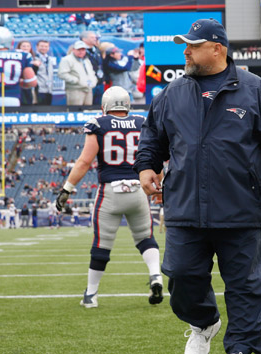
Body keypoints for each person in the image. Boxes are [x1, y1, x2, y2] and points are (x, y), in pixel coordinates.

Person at [134, 18, 261, 354]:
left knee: (246, 291)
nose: (185, 52)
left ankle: (243, 348)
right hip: (185, 209)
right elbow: (152, 138)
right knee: (183, 280)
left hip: (240, 209)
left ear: (217, 49)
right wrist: (146, 167)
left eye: (193, 46)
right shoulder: (171, 94)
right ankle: (203, 322)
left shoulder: (257, 90)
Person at [55, 86, 163, 308]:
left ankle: (91, 295)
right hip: (138, 189)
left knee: (101, 245)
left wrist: (67, 188)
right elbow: (156, 156)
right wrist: (158, 186)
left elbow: (85, 162)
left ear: (105, 106)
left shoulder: (99, 123)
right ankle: (156, 277)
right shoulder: (141, 122)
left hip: (110, 191)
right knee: (145, 237)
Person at [58, 40, 97, 106]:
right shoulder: (67, 60)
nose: (81, 51)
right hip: (75, 90)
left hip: (88, 89)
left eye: (83, 49)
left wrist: (94, 80)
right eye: (79, 49)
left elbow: (92, 72)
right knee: (75, 111)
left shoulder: (86, 60)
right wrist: (76, 80)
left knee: (88, 111)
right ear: (73, 50)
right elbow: (62, 74)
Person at [80, 31, 104, 104]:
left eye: (95, 37)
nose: (95, 39)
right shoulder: (79, 51)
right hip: (87, 83)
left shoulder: (97, 50)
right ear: (84, 39)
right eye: (92, 37)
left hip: (99, 82)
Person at [35, 40, 55, 105]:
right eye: (42, 46)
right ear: (37, 47)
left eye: (46, 46)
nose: (44, 48)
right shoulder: (33, 58)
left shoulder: (49, 59)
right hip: (39, 89)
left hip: (49, 89)